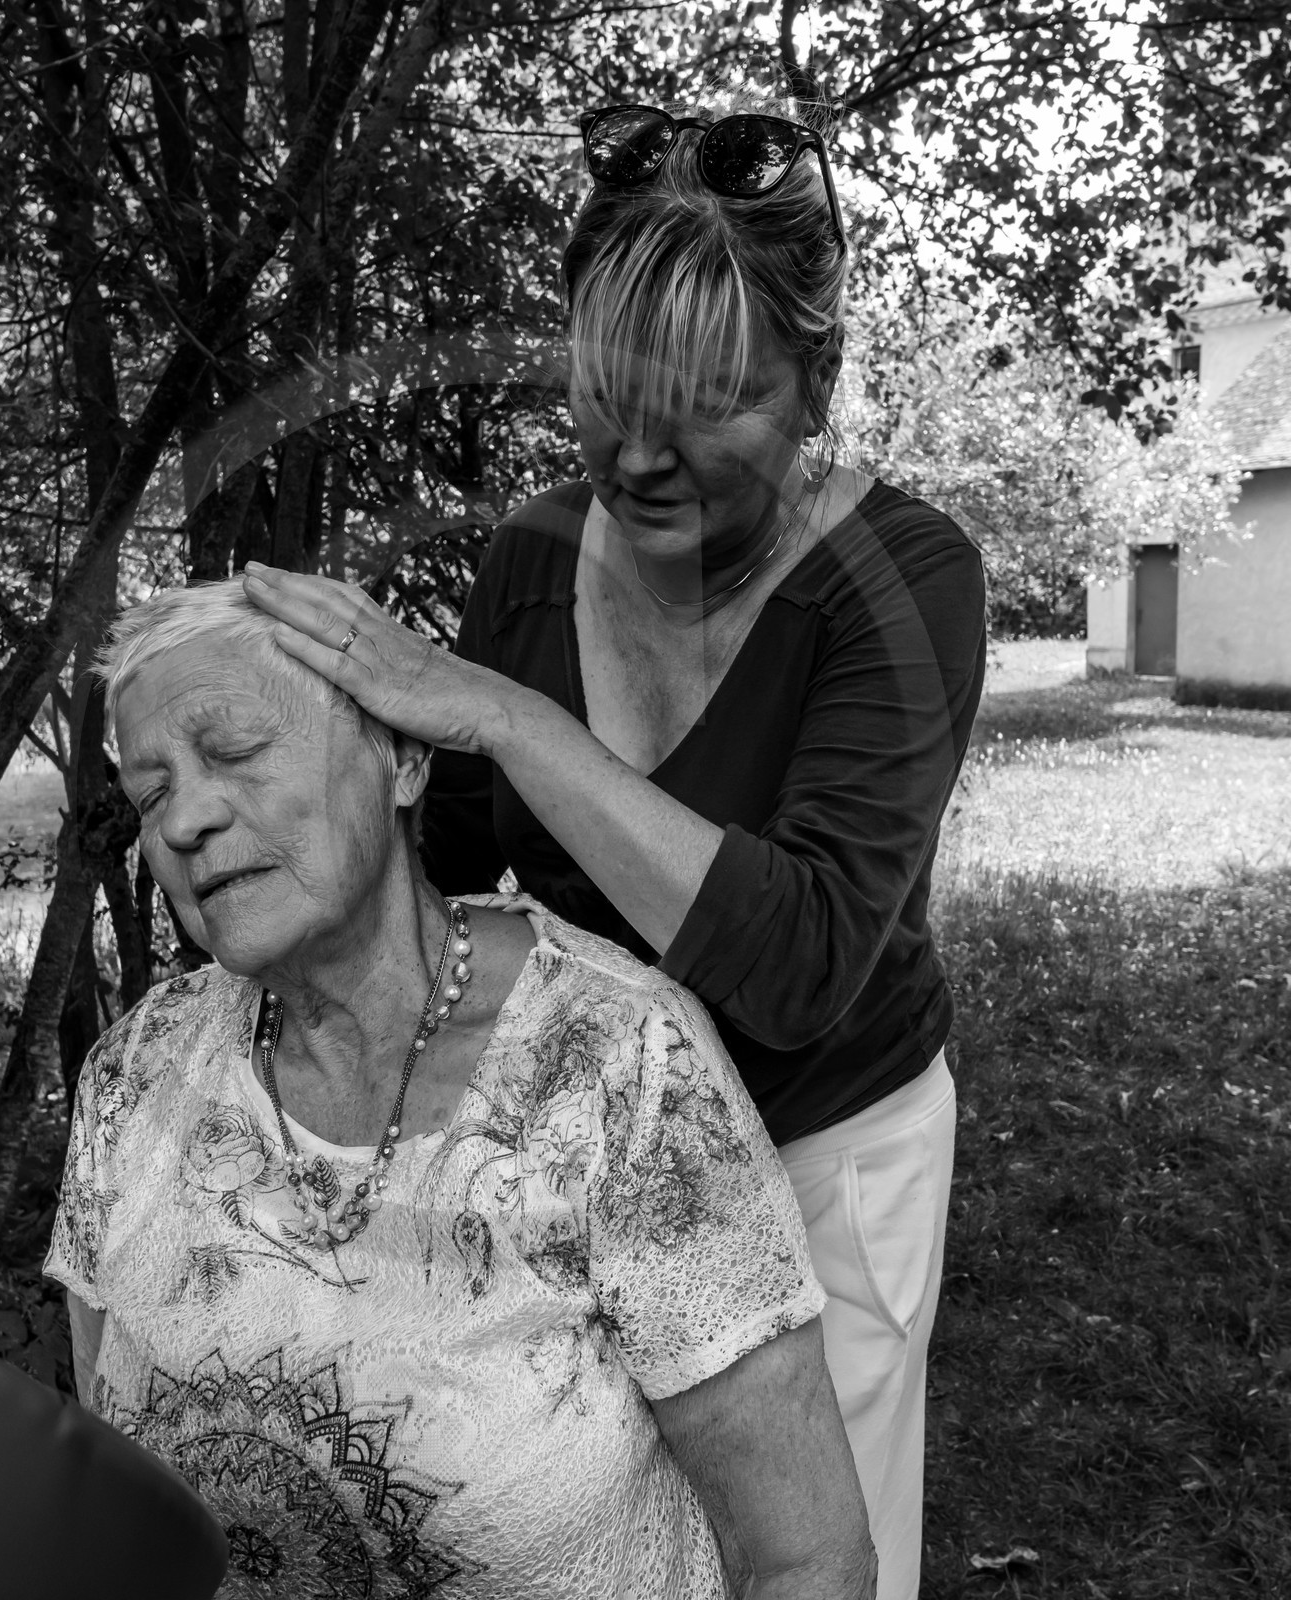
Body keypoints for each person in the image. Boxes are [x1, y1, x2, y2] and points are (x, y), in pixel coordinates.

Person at [241, 91, 987, 1599]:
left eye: (707, 403)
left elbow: (797, 966)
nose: (638, 456)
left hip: (822, 1147)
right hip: (591, 1150)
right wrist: (282, 821)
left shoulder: (903, 577)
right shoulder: (531, 556)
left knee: (809, 1554)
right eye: (605, 395)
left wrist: (509, 719)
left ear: (817, 378)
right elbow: (449, 866)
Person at [44, 580, 876, 1598]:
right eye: (149, 794)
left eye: (237, 751)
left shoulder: (615, 1063)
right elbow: (108, 1487)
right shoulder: (136, 1072)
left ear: (401, 759)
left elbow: (804, 1557)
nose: (183, 819)